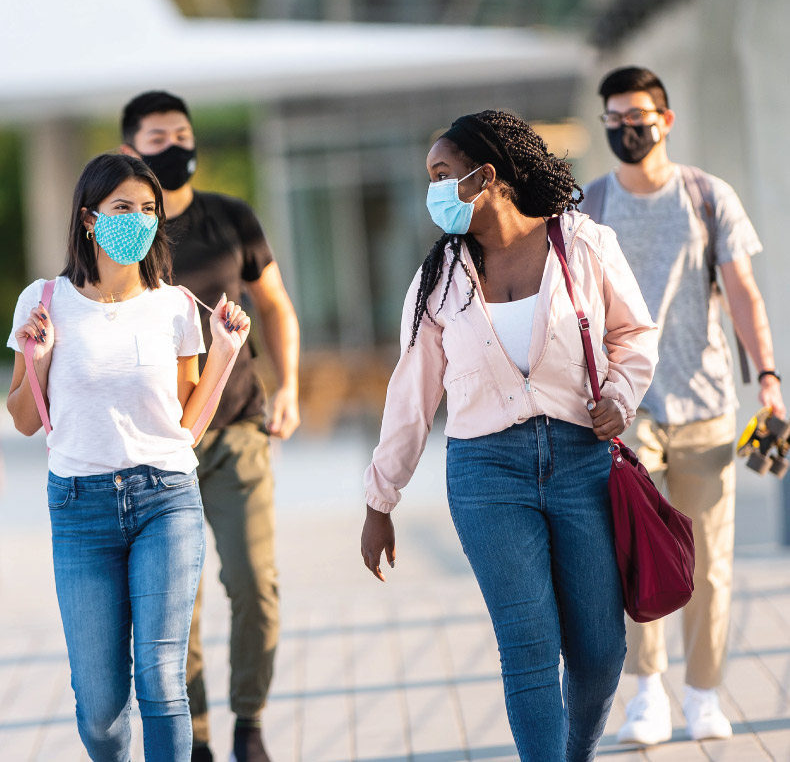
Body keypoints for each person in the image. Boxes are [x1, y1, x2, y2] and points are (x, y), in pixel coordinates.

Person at [360, 110, 658, 762]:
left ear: (486, 175)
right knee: (526, 644)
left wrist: (620, 396)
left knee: (600, 651)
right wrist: (380, 500)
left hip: (583, 460)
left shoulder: (583, 244)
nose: (433, 190)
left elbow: (634, 334)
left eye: (443, 175)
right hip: (486, 473)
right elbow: (412, 396)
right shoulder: (438, 278)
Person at [6, 153, 250, 761]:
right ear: (90, 218)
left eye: (148, 210)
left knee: (162, 678)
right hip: (78, 507)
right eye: (123, 208)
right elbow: (24, 418)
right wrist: (37, 357)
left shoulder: (174, 305)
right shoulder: (43, 301)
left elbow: (188, 425)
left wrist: (224, 351)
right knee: (98, 708)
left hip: (165, 498)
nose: (138, 221)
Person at [582, 66, 786, 745]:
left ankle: (701, 693)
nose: (625, 130)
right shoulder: (593, 206)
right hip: (624, 411)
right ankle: (648, 695)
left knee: (708, 560)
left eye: (636, 117)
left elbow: (746, 294)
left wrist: (768, 379)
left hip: (703, 402)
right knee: (634, 554)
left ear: (665, 120)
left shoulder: (706, 196)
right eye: (612, 120)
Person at [120, 91, 300, 762]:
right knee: (179, 604)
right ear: (131, 150)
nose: (174, 146)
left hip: (236, 430)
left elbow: (275, 305)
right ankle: (194, 740)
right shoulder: (125, 230)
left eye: (182, 133)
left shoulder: (231, 218)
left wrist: (290, 389)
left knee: (255, 582)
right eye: (157, 137)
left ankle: (248, 721)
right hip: (159, 448)